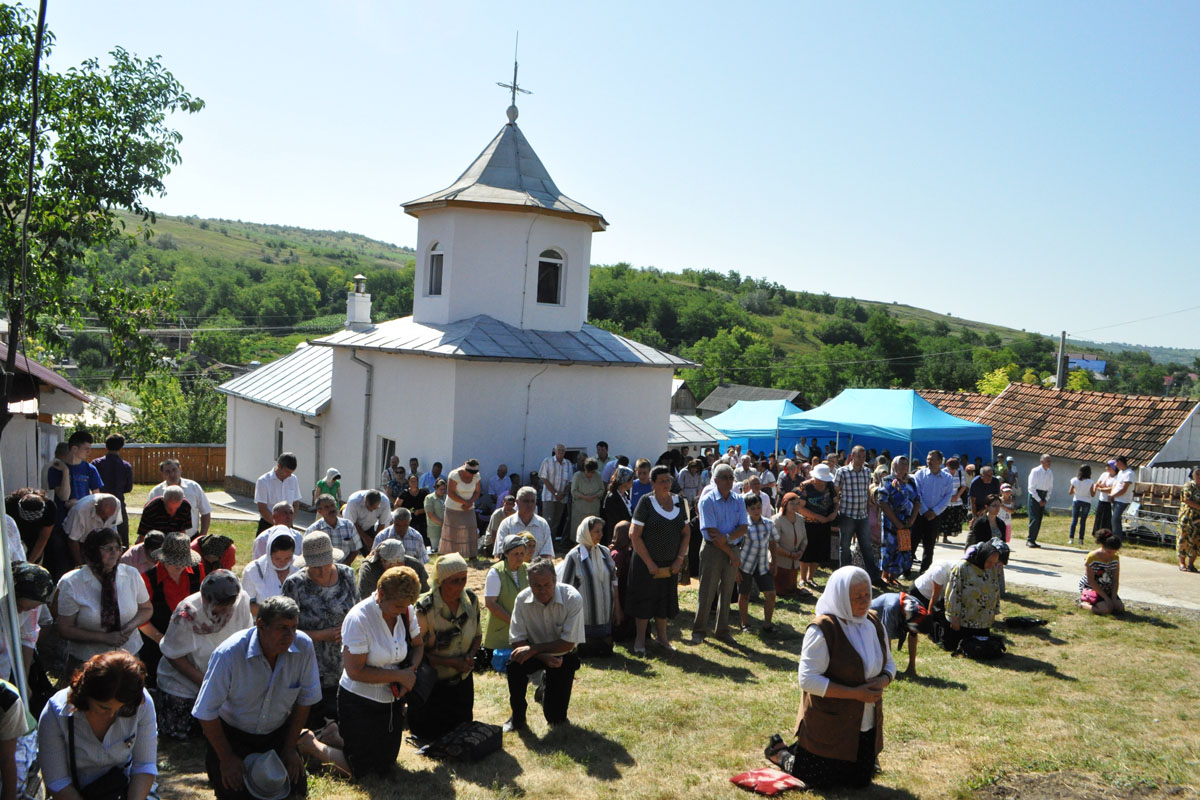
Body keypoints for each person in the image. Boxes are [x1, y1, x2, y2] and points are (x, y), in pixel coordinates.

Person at [764, 566, 895, 790]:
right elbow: (807, 679)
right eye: (857, 597)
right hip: (829, 723)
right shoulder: (823, 629)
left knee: (860, 781)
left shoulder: (872, 621)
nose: (865, 601)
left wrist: (883, 679)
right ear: (841, 597)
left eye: (867, 595)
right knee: (817, 780)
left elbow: (890, 663)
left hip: (863, 723)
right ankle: (780, 753)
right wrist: (855, 694)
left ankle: (799, 749)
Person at [298, 566, 424, 779]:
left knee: (385, 765)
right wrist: (398, 676)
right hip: (358, 701)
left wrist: (409, 673)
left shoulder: (406, 610)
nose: (402, 610)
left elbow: (418, 645)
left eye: (407, 606)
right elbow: (355, 671)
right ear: (381, 594)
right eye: (398, 606)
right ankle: (310, 744)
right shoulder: (359, 618)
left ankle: (334, 734)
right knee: (361, 771)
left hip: (391, 701)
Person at [193, 595, 320, 799]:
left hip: (277, 733)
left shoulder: (303, 647)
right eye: (282, 628)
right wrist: (226, 758)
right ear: (261, 625)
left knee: (294, 791)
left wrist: (289, 749)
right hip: (233, 736)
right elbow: (205, 711)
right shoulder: (229, 654)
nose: (289, 635)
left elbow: (305, 701)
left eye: (294, 628)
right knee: (235, 791)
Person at [39, 651, 158, 800]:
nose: (112, 714)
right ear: (86, 693)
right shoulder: (56, 713)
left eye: (121, 708)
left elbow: (144, 765)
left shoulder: (142, 702)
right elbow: (57, 781)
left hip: (126, 790)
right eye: (103, 707)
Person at [156, 570, 253, 741]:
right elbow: (174, 656)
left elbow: (245, 640)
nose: (225, 611)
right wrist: (206, 682)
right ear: (205, 599)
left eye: (228, 606)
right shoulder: (186, 613)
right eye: (219, 607)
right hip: (186, 678)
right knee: (186, 733)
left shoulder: (241, 600)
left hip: (223, 674)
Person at [282, 532, 358, 729]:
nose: (322, 571)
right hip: (311, 663)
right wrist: (320, 635)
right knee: (312, 719)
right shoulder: (294, 585)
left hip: (344, 662)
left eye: (326, 565)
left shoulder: (347, 575)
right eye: (315, 567)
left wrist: (348, 629)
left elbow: (357, 613)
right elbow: (283, 630)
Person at [54, 528, 152, 678]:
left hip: (127, 656)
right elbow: (65, 629)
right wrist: (104, 638)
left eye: (118, 548)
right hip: (88, 661)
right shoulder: (72, 583)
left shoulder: (131, 574)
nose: (114, 552)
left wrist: (130, 626)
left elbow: (146, 609)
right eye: (108, 548)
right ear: (92, 551)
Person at [503, 557, 586, 732]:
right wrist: (540, 655)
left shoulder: (572, 598)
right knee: (514, 665)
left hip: (563, 654)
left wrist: (534, 649)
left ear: (555, 581)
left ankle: (545, 685)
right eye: (536, 585)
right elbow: (516, 639)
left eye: (547, 585)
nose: (542, 590)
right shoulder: (522, 600)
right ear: (529, 583)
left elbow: (567, 643)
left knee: (556, 720)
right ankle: (517, 716)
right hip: (535, 653)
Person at [409, 554, 481, 741]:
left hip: (463, 678)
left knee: (462, 732)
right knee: (433, 735)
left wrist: (470, 656)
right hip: (434, 682)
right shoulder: (425, 608)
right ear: (441, 581)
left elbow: (478, 634)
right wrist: (451, 662)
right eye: (454, 581)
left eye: (463, 579)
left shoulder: (471, 600)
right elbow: (419, 652)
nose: (460, 585)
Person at [627, 466, 690, 652]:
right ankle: (640, 641)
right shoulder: (646, 502)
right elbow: (634, 534)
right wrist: (649, 562)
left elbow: (686, 533)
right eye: (661, 481)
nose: (666, 484)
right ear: (653, 483)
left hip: (670, 563)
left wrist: (679, 559)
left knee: (664, 601)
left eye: (668, 480)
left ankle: (663, 638)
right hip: (646, 563)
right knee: (644, 601)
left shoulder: (680, 502)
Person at [138, 531, 205, 688]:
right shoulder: (148, 578)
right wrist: (163, 641)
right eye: (175, 562)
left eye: (183, 561)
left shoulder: (197, 570)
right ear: (164, 558)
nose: (180, 566)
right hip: (156, 644)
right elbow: (142, 620)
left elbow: (202, 603)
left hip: (191, 642)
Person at [691, 464, 748, 643]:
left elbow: (744, 527)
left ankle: (722, 630)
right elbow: (713, 535)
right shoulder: (707, 501)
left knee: (727, 589)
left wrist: (729, 537)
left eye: (731, 477)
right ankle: (699, 630)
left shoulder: (738, 499)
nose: (729, 481)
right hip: (712, 550)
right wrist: (732, 554)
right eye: (724, 477)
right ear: (715, 480)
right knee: (707, 590)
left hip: (731, 547)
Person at [557, 517, 619, 656]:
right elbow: (566, 587)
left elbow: (613, 580)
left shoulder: (604, 552)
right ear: (586, 532)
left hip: (604, 614)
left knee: (604, 649)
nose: (601, 534)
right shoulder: (574, 556)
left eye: (601, 531)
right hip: (584, 617)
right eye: (596, 531)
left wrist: (617, 608)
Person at [944, 541, 1002, 651]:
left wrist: (994, 611)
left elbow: (995, 590)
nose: (991, 565)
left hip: (983, 621)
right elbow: (954, 594)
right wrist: (954, 618)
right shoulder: (963, 568)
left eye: (994, 563)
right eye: (989, 562)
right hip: (964, 621)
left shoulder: (992, 569)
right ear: (982, 557)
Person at [834, 447, 880, 585]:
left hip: (862, 515)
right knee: (845, 547)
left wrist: (866, 508)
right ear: (852, 456)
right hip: (847, 514)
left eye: (864, 456)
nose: (862, 459)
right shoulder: (842, 472)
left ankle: (874, 577)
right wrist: (837, 508)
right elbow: (835, 491)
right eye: (859, 456)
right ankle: (845, 578)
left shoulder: (867, 472)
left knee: (867, 546)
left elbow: (866, 492)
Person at [738, 493, 779, 634]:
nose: (756, 510)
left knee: (771, 594)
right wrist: (736, 569)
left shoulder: (769, 524)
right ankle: (745, 624)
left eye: (759, 507)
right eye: (753, 508)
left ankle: (767, 624)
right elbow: (737, 547)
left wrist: (774, 561)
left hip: (763, 565)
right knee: (745, 595)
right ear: (747, 509)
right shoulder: (743, 525)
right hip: (745, 565)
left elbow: (773, 544)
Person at [876, 457, 920, 586]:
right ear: (894, 465)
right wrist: (897, 523)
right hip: (891, 522)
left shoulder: (911, 481)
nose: (904, 468)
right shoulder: (887, 481)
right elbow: (882, 502)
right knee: (889, 547)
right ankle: (885, 574)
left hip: (907, 522)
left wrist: (912, 520)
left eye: (906, 465)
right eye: (901, 465)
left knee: (902, 548)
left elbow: (917, 500)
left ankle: (893, 575)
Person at [482, 535, 529, 658]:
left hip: (524, 630)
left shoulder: (528, 569)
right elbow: (490, 603)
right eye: (515, 554)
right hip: (500, 633)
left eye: (522, 553)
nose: (519, 558)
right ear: (506, 554)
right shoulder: (496, 572)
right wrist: (514, 622)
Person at [147, 458, 213, 539]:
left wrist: (202, 536)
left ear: (180, 469)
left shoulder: (194, 487)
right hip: (164, 541)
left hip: (191, 539)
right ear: (163, 474)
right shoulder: (156, 492)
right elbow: (148, 518)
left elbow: (205, 512)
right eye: (167, 471)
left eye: (174, 470)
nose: (172, 474)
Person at [241, 527, 301, 615]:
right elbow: (247, 606)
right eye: (277, 558)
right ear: (269, 553)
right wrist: (276, 614)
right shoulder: (253, 570)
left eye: (288, 558)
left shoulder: (300, 567)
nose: (283, 562)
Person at [912, 450, 954, 574]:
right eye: (928, 459)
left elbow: (947, 498)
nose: (929, 461)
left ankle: (925, 571)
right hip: (919, 514)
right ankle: (906, 569)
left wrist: (934, 512)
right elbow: (917, 493)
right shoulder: (920, 474)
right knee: (913, 542)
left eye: (932, 459)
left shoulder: (947, 478)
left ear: (940, 462)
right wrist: (924, 510)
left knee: (929, 545)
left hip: (935, 516)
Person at [869, 592, 930, 675]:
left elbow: (913, 635)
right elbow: (886, 640)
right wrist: (888, 670)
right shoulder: (892, 608)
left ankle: (911, 668)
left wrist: (912, 667)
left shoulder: (919, 607)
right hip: (869, 618)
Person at [91, 433, 133, 546]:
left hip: (100, 503)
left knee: (97, 536)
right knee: (122, 537)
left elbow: (92, 484)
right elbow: (128, 488)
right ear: (121, 447)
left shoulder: (96, 464)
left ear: (106, 446)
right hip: (118, 503)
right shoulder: (126, 466)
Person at [798, 464, 838, 582]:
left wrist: (834, 513)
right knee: (806, 551)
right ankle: (803, 578)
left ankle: (811, 577)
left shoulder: (830, 486)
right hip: (808, 523)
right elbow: (801, 508)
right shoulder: (805, 486)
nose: (822, 482)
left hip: (825, 523)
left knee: (819, 551)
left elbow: (836, 502)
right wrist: (818, 517)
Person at [62, 493, 122, 569]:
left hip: (99, 542)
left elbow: (114, 532)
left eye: (109, 516)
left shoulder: (117, 504)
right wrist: (80, 566)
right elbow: (72, 540)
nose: (106, 519)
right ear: (96, 506)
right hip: (77, 541)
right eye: (103, 516)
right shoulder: (80, 510)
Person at [494, 487, 554, 559]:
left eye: (532, 501)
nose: (529, 505)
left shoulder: (543, 524)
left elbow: (547, 554)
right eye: (526, 501)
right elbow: (500, 553)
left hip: (536, 568)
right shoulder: (507, 524)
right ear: (517, 502)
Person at [357, 539, 428, 599]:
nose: (393, 566)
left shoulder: (415, 566)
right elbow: (367, 598)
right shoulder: (369, 569)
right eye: (387, 562)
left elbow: (425, 594)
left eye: (398, 562)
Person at [305, 493, 359, 566]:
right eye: (327, 507)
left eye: (333, 505)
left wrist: (344, 565)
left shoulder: (348, 525)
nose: (331, 509)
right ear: (319, 511)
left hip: (343, 569)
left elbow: (355, 549)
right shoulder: (313, 530)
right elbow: (307, 555)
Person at [441, 459, 481, 558]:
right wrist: (464, 502)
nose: (472, 474)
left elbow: (477, 492)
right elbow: (450, 493)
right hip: (453, 508)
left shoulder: (477, 476)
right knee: (453, 533)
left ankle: (472, 555)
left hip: (469, 508)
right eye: (470, 472)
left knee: (471, 529)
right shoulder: (454, 475)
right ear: (465, 469)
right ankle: (452, 556)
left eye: (474, 472)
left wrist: (470, 502)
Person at [254, 453, 302, 534]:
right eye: (287, 472)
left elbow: (296, 503)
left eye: (291, 472)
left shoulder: (293, 479)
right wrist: (277, 524)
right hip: (268, 524)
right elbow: (262, 508)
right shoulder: (263, 481)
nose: (289, 475)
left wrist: (289, 521)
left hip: (288, 526)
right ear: (279, 466)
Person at [771, 492, 808, 598]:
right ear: (785, 504)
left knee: (791, 587)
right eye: (792, 504)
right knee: (781, 590)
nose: (795, 506)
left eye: (797, 504)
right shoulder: (777, 520)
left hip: (794, 560)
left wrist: (800, 552)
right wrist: (789, 554)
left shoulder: (800, 519)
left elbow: (805, 539)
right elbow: (774, 544)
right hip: (780, 562)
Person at [6, 489, 55, 566]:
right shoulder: (9, 504)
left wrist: (30, 563)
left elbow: (43, 537)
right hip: (15, 537)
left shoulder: (50, 507)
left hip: (35, 538)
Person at [1081, 530, 1124, 615]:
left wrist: (1114, 597)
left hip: (1107, 587)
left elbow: (1115, 579)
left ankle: (1102, 601)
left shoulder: (1115, 558)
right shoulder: (1092, 557)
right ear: (1103, 546)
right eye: (1109, 552)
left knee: (1119, 608)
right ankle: (1083, 604)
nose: (1111, 554)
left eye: (1115, 552)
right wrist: (1107, 599)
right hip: (1093, 588)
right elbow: (1091, 581)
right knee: (1105, 610)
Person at [538, 445, 573, 541]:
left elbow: (570, 481)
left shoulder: (568, 464)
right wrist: (555, 493)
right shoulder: (547, 461)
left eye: (563, 450)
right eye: (559, 450)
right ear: (555, 451)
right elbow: (543, 478)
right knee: (547, 521)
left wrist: (563, 493)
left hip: (562, 498)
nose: (561, 452)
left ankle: (552, 544)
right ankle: (543, 543)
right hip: (549, 497)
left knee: (556, 522)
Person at [343, 489, 390, 556]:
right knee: (349, 552)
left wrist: (375, 541)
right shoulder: (354, 501)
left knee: (373, 552)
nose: (371, 510)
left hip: (370, 526)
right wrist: (365, 538)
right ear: (365, 500)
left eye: (374, 508)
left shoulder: (385, 502)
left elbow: (382, 523)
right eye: (368, 507)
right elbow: (352, 523)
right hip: (352, 527)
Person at [569, 459, 605, 539]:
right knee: (580, 528)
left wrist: (595, 495)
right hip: (580, 509)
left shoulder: (598, 475)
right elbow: (573, 491)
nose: (591, 474)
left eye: (593, 472)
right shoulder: (577, 476)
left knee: (593, 527)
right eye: (589, 472)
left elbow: (602, 489)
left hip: (594, 508)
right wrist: (585, 497)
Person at [600, 466, 635, 548]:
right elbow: (613, 520)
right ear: (624, 481)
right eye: (631, 480)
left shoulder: (625, 495)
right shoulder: (612, 497)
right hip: (617, 536)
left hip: (626, 534)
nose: (633, 482)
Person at [1026, 454, 1054, 548]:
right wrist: (1038, 499)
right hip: (1035, 495)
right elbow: (1031, 487)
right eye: (1047, 461)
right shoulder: (1035, 471)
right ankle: (1030, 539)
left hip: (1043, 495)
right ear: (1042, 461)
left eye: (1050, 461)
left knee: (1039, 519)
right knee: (1034, 518)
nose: (1049, 463)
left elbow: (1050, 487)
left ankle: (1034, 539)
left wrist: (1046, 499)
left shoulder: (1050, 472)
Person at [1178, 465, 1200, 573]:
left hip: (1199, 519)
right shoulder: (1188, 486)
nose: (1199, 476)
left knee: (1196, 541)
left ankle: (1191, 564)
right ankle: (1182, 563)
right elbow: (1186, 499)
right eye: (1197, 473)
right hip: (1187, 517)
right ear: (1192, 474)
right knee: (1184, 539)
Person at [1110, 456, 1135, 540]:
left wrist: (1113, 495)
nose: (1115, 465)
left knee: (1115, 518)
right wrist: (1112, 494)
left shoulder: (1129, 473)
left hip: (1123, 500)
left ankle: (1117, 538)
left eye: (1116, 463)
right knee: (1116, 519)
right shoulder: (1121, 472)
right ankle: (1117, 537)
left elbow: (1124, 489)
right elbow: (1116, 484)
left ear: (1120, 462)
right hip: (1116, 498)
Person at [1069, 465, 1095, 544]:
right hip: (1086, 501)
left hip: (1077, 500)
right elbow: (1092, 494)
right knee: (1083, 521)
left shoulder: (1074, 480)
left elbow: (1070, 492)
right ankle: (1081, 540)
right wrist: (1095, 488)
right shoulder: (1090, 482)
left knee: (1074, 520)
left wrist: (1076, 491)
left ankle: (1071, 539)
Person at [944, 456, 968, 543]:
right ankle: (938, 536)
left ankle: (946, 537)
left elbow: (964, 486)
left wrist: (957, 496)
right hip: (944, 499)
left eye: (954, 468)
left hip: (955, 500)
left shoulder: (960, 473)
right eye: (951, 468)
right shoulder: (943, 473)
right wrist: (947, 497)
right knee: (943, 518)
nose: (952, 470)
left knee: (952, 518)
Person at [1092, 460, 1118, 534]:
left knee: (1107, 519)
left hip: (1110, 501)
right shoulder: (1104, 474)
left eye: (1108, 466)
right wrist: (1104, 487)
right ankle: (1097, 532)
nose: (1106, 468)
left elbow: (1112, 489)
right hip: (1102, 499)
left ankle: (1106, 533)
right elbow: (1098, 484)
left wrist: (1101, 488)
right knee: (1099, 517)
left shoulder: (1117, 477)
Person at [424, 479, 447, 552]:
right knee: (436, 550)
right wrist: (443, 523)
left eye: (444, 489)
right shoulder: (429, 498)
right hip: (434, 529)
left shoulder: (446, 497)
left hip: (446, 528)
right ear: (436, 488)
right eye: (440, 489)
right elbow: (430, 514)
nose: (442, 491)